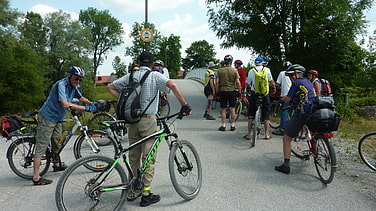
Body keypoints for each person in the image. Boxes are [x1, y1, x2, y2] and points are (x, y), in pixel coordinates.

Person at [106, 51, 191, 207]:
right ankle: (146, 193)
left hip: (131, 120)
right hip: (148, 120)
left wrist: (127, 102)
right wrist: (185, 105)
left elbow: (110, 86)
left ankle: (134, 189)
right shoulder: (155, 76)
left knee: (134, 155)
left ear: (139, 62)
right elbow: (172, 85)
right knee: (149, 157)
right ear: (152, 64)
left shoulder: (131, 76)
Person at [32, 66, 96, 185]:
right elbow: (64, 103)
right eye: (76, 79)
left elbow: (81, 97)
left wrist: (92, 103)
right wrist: (85, 108)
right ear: (70, 76)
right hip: (47, 117)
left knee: (57, 141)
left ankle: (56, 164)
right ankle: (36, 177)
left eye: (80, 80)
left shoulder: (74, 86)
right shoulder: (61, 84)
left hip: (57, 118)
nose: (78, 82)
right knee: (42, 145)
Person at [274, 64, 315, 174]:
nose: (291, 78)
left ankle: (286, 166)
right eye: (290, 76)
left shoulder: (296, 83)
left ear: (298, 74)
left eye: (292, 75)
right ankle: (315, 150)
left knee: (286, 138)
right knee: (313, 132)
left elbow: (287, 98)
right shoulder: (308, 81)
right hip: (313, 112)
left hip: (302, 113)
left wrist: (281, 99)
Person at [244, 57, 276, 140]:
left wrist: (251, 88)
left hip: (255, 94)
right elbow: (271, 81)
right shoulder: (267, 70)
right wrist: (274, 87)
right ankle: (267, 134)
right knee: (266, 113)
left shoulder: (251, 71)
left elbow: (248, 83)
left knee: (251, 113)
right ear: (262, 63)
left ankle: (249, 134)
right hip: (265, 94)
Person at [216, 54, 242, 131]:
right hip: (232, 91)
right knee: (232, 108)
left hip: (223, 91)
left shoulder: (220, 70)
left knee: (223, 109)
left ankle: (223, 125)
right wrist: (239, 91)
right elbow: (238, 82)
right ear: (231, 61)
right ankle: (232, 125)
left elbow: (217, 82)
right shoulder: (234, 71)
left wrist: (217, 91)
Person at [272, 61, 293, 136]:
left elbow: (278, 84)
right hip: (293, 94)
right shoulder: (294, 73)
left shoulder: (282, 73)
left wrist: (274, 84)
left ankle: (282, 129)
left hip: (285, 95)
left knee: (284, 111)